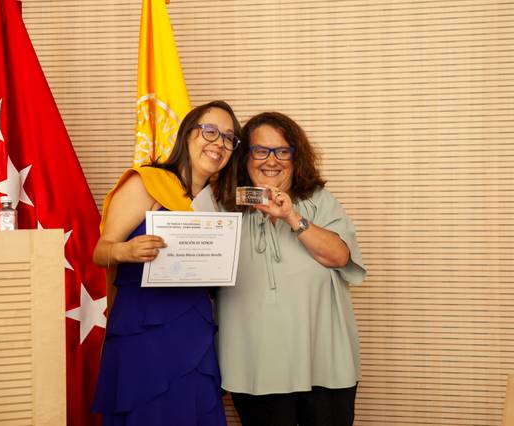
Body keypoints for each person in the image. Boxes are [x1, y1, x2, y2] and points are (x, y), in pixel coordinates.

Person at [91, 100, 242, 426]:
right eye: (210, 131)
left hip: (195, 329)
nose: (219, 143)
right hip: (144, 327)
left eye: (229, 138)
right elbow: (100, 251)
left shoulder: (217, 202)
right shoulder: (147, 182)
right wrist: (125, 252)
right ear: (188, 134)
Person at [216, 112, 367, 426]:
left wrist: (291, 217)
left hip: (325, 367)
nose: (272, 160)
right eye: (261, 150)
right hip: (255, 369)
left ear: (296, 157)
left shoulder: (319, 201)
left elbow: (339, 257)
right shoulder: (220, 206)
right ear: (244, 157)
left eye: (283, 151)